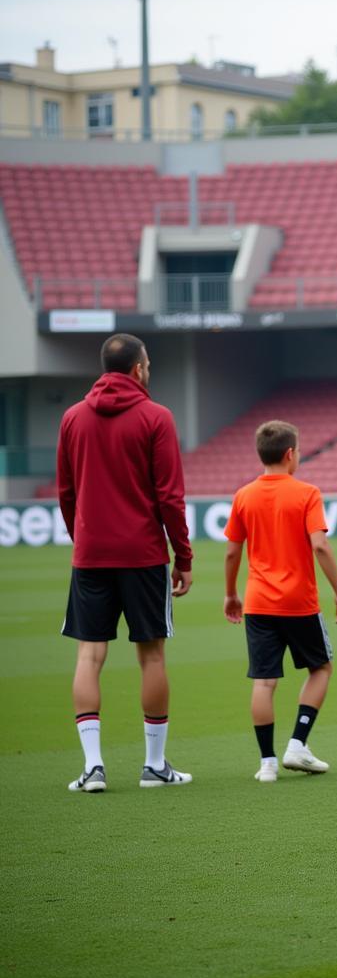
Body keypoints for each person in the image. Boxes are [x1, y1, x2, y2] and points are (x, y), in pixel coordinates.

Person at [57, 333, 193, 793]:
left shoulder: (72, 417)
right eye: (148, 364)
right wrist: (183, 556)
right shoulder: (156, 417)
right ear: (138, 369)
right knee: (151, 654)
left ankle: (93, 767)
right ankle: (154, 765)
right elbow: (170, 497)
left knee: (89, 655)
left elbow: (66, 493)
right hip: (143, 555)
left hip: (91, 555)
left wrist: (84, 541)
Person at [224, 420, 337, 783]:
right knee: (321, 668)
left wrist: (231, 592)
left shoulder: (244, 495)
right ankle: (297, 743)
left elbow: (233, 551)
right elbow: (320, 545)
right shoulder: (306, 493)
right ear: (290, 453)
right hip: (299, 602)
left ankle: (267, 763)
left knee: (264, 681)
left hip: (258, 601)